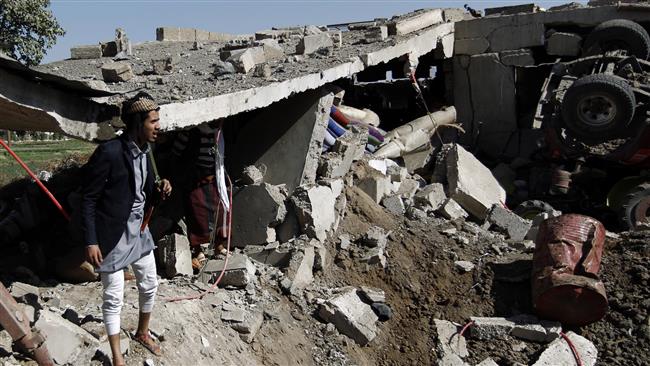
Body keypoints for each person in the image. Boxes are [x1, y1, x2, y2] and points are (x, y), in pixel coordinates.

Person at [81, 92, 172, 366]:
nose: (158, 126)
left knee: (150, 284)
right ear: (136, 124)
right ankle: (118, 359)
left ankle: (142, 331)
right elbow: (89, 199)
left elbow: (141, 194)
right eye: (153, 121)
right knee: (113, 298)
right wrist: (92, 240)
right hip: (113, 235)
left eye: (158, 120)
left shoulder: (147, 152)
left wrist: (160, 189)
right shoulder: (109, 152)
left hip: (140, 231)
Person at [171, 123, 229, 270]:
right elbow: (176, 153)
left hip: (215, 177)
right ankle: (198, 250)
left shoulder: (218, 132)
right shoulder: (189, 132)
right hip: (195, 179)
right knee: (197, 214)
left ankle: (219, 246)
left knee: (221, 210)